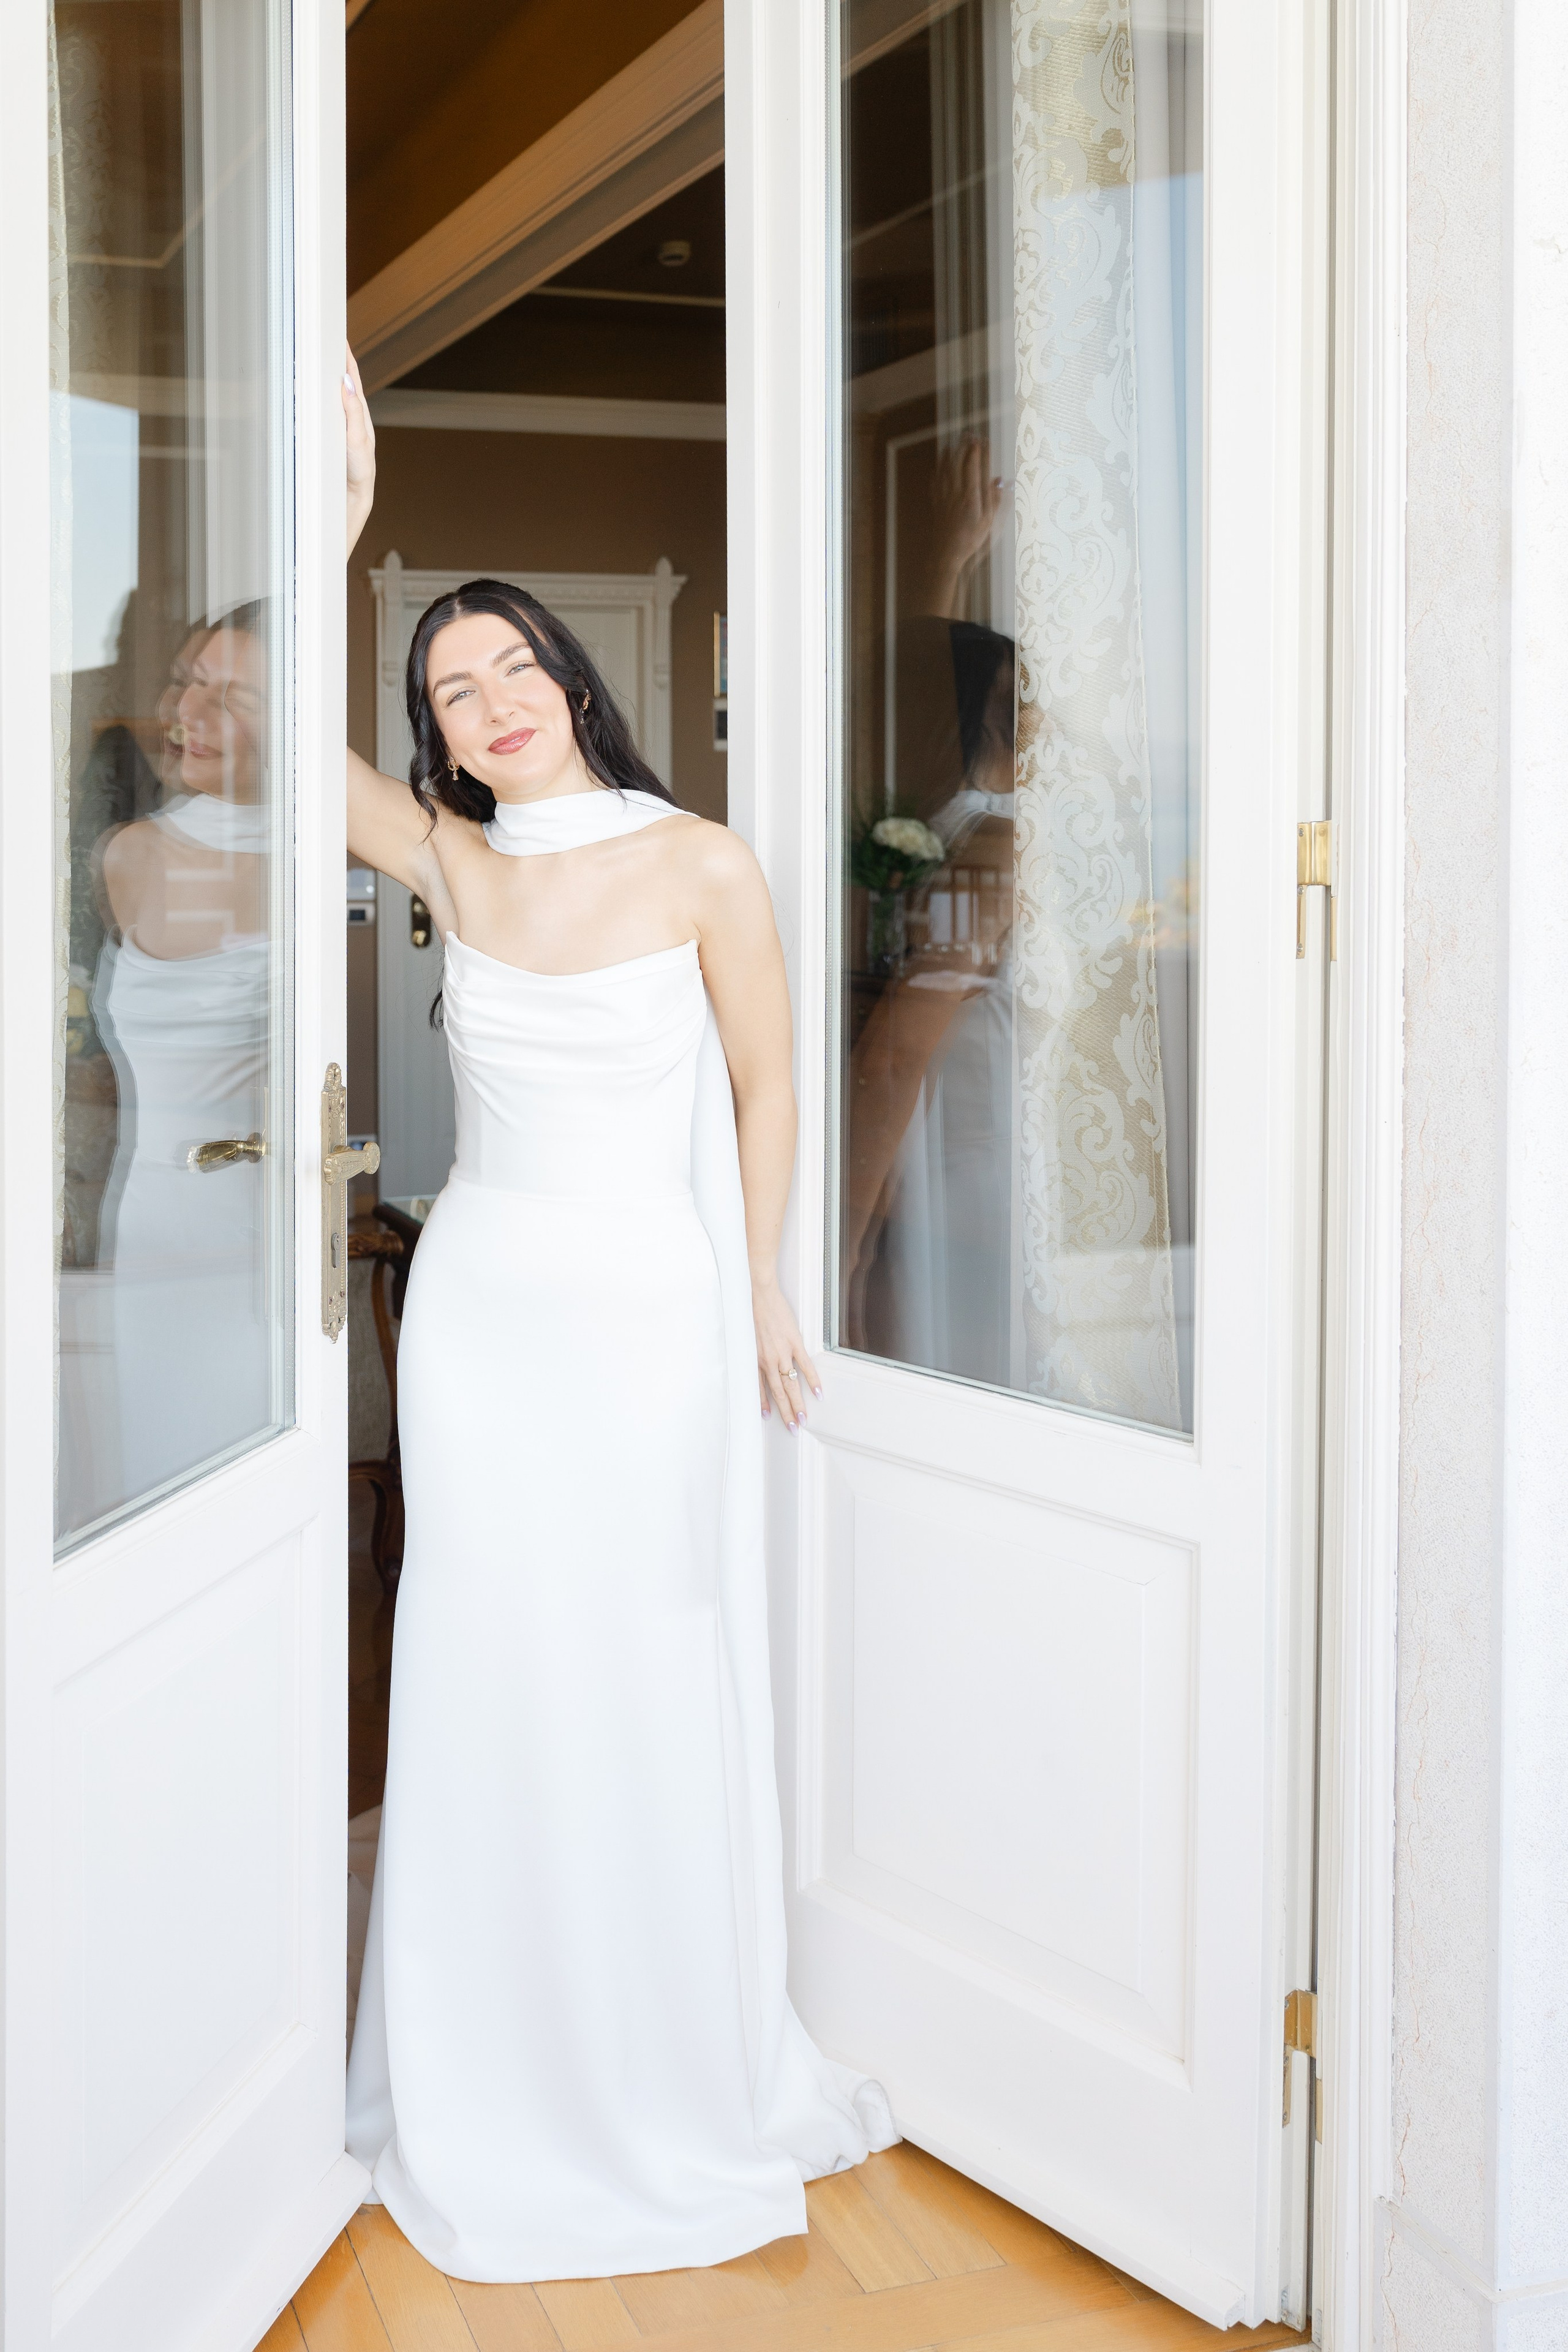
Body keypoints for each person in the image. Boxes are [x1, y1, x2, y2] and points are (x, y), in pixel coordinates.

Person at [337, 349, 894, 2283]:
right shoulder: (458, 867)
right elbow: (305, 780)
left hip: (650, 1315)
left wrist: (752, 1280)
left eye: (506, 669)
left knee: (646, 1662)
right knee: (489, 1665)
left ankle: (658, 2058)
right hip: (483, 1322)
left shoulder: (700, 861)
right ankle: (487, 2060)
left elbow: (768, 1087)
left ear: (571, 679)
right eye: (443, 690)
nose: (482, 707)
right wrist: (335, 519)